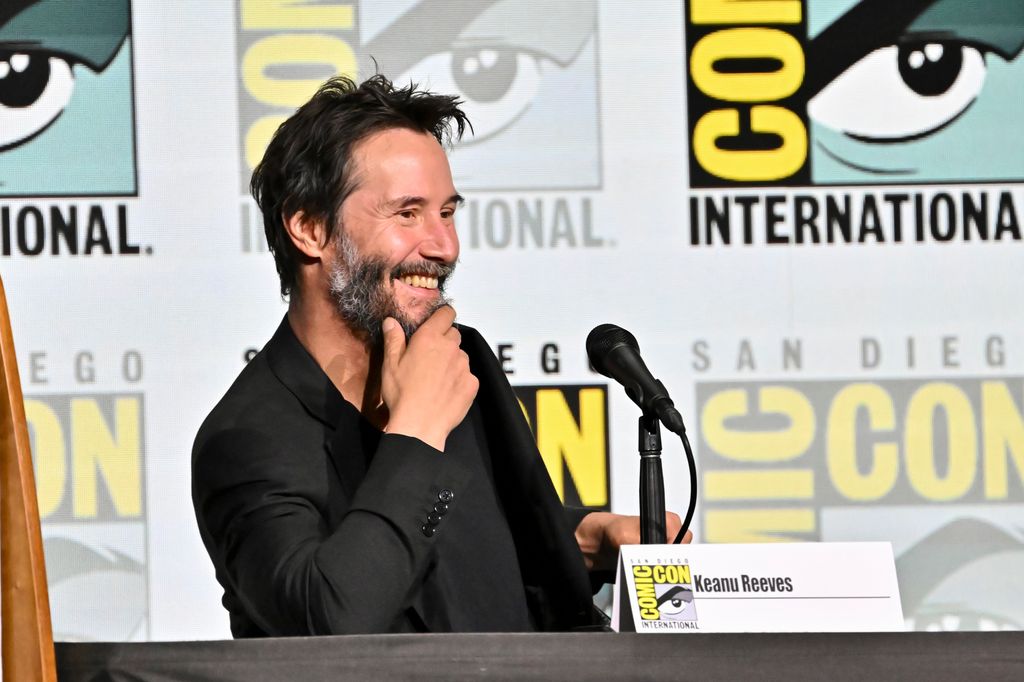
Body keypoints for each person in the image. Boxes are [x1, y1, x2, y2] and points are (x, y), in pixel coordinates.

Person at [192, 74, 687, 637]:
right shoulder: (245, 440)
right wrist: (418, 433)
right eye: (407, 214)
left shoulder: (458, 357)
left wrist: (585, 538)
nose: (444, 246)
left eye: (447, 212)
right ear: (310, 228)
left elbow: (463, 559)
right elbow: (328, 622)